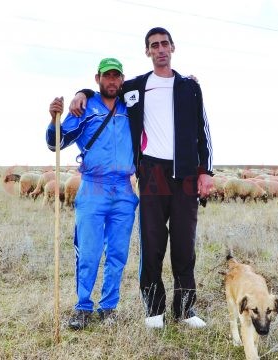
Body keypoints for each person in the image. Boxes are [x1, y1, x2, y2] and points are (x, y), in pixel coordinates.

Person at [69, 27, 213, 329]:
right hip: (151, 172)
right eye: (153, 45)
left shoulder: (190, 88)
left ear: (172, 47)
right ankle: (154, 311)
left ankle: (185, 310)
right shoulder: (134, 87)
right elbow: (106, 90)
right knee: (152, 242)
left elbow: (203, 133)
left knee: (184, 245)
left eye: (164, 44)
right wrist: (82, 92)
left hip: (185, 173)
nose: (160, 49)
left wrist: (205, 172)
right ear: (147, 52)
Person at [47, 57, 138, 330]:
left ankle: (109, 308)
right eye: (107, 76)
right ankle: (83, 307)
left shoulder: (131, 109)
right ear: (97, 79)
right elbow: (56, 143)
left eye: (116, 76)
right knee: (88, 251)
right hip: (93, 186)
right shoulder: (85, 108)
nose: (112, 81)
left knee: (118, 253)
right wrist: (54, 120)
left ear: (122, 80)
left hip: (124, 188)